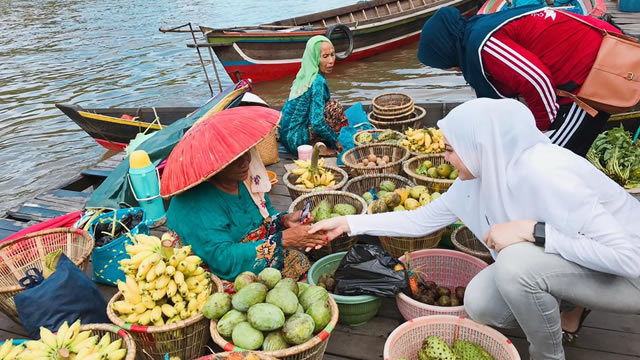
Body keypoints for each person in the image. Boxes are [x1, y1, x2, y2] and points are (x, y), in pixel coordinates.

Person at [310, 98, 640, 360]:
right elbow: (421, 219)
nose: (445, 158)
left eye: (451, 149)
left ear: (480, 147)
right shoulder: (480, 179)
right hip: (580, 261)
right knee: (481, 302)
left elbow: (628, 259)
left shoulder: (545, 172)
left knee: (513, 265)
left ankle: (548, 355)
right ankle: (570, 303)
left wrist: (533, 230)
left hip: (628, 277)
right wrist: (349, 223)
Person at [416, 6, 621, 157]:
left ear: (445, 51)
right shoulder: (478, 29)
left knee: (550, 160)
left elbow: (536, 79)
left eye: (442, 64)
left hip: (592, 73)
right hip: (581, 70)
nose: (450, 69)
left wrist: (540, 129)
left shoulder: (485, 43)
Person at [166, 148, 327, 281]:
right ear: (214, 166)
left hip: (246, 250)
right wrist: (283, 239)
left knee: (300, 265)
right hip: (214, 268)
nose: (245, 162)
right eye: (234, 159)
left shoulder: (245, 180)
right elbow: (223, 259)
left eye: (245, 153)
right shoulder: (198, 205)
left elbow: (265, 213)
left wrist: (284, 220)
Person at [279, 35, 349, 156]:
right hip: (297, 142)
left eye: (332, 55)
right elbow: (316, 122)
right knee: (334, 107)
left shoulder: (304, 74)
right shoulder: (317, 81)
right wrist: (335, 140)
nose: (331, 61)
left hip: (286, 137)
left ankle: (317, 141)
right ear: (315, 57)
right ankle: (315, 146)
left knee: (326, 107)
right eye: (325, 56)